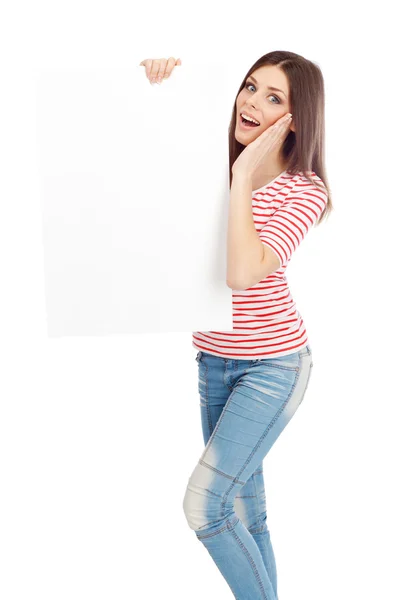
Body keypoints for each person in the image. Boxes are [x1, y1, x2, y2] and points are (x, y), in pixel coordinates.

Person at [140, 51, 332, 600]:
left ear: (297, 121)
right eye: (250, 87)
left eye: (274, 98)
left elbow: (242, 273)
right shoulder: (207, 162)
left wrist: (244, 172)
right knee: (247, 513)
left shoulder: (304, 189)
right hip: (213, 361)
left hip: (273, 367)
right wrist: (161, 83)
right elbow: (141, 150)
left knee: (205, 505)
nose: (251, 101)